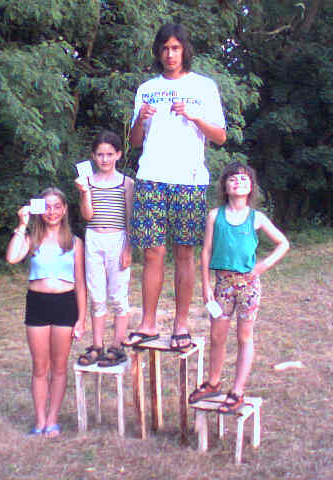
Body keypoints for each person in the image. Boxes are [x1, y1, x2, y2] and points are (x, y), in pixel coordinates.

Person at [125, 23, 227, 352]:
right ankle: (148, 324)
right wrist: (140, 119)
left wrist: (195, 117)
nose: (170, 54)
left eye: (176, 48)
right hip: (151, 178)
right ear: (158, 52)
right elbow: (134, 142)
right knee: (152, 252)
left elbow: (220, 136)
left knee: (185, 253)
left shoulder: (204, 87)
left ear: (185, 51)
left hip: (189, 180)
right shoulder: (147, 89)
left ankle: (181, 324)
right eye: (165, 48)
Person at [188, 163, 289, 414]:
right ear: (225, 186)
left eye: (244, 179)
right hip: (222, 286)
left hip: (248, 286)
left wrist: (263, 266)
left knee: (244, 337)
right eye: (233, 179)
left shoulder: (257, 218)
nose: (238, 183)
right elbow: (206, 251)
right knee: (217, 336)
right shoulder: (215, 216)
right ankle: (213, 382)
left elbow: (283, 243)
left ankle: (237, 391)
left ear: (251, 186)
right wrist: (205, 285)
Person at [5, 187, 87, 437]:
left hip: (65, 305)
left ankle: (52, 419)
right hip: (37, 304)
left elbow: (81, 283)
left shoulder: (75, 242)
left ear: (65, 209)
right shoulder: (32, 239)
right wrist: (22, 225)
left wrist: (81, 319)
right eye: (47, 207)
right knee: (40, 367)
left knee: (59, 367)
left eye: (57, 206)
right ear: (39, 210)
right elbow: (12, 257)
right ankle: (40, 420)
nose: (52, 212)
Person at [75, 130, 134, 367]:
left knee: (118, 295)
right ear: (93, 156)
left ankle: (117, 346)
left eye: (110, 154)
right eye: (100, 155)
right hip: (94, 238)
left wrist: (128, 249)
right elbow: (87, 215)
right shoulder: (88, 181)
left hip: (117, 239)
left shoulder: (127, 183)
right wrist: (84, 193)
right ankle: (97, 346)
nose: (105, 159)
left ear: (118, 154)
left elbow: (130, 219)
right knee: (97, 296)